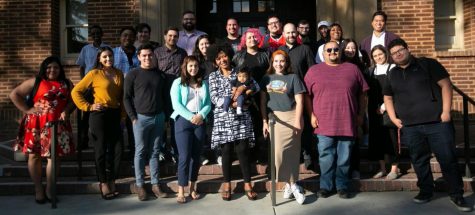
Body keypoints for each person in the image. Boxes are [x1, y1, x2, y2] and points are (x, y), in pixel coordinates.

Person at [383, 38, 471, 212]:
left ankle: (456, 195)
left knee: (448, 159)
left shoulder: (428, 64)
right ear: (391, 57)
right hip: (411, 126)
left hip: (437, 123)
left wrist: (446, 112)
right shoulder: (392, 74)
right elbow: (388, 97)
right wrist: (393, 118)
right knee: (419, 160)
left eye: (400, 50)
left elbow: (446, 85)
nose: (398, 54)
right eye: (393, 53)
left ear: (407, 49)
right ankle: (425, 191)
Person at [305, 41, 368, 199]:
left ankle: (342, 186)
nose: (332, 52)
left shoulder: (352, 69)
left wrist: (360, 115)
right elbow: (306, 96)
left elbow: (363, 94)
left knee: (344, 158)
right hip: (323, 123)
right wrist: (311, 115)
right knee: (325, 157)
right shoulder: (313, 71)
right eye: (329, 50)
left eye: (335, 49)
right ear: (323, 53)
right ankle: (326, 186)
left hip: (347, 122)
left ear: (340, 51)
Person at [10, 56, 75, 204]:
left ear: (60, 69)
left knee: (55, 157)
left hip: (58, 124)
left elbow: (73, 101)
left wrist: (67, 110)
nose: (52, 70)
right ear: (44, 69)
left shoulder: (66, 83)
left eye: (56, 67)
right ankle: (38, 189)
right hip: (36, 124)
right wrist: (27, 109)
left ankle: (50, 189)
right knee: (34, 156)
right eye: (49, 67)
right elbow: (14, 94)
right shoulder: (36, 81)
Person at [207, 44, 259, 201]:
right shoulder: (213, 76)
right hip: (223, 118)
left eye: (224, 56)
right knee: (227, 152)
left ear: (229, 56)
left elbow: (256, 86)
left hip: (241, 118)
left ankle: (248, 184)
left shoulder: (240, 72)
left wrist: (244, 89)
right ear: (215, 61)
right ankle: (227, 184)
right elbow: (215, 98)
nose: (222, 60)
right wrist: (234, 104)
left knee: (243, 150)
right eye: (218, 58)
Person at [72, 47, 124, 200]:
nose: (108, 59)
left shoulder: (119, 73)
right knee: (100, 150)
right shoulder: (94, 74)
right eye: (105, 57)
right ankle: (103, 182)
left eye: (110, 56)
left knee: (117, 149)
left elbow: (121, 97)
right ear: (99, 59)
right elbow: (76, 91)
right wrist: (88, 106)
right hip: (99, 115)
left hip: (115, 114)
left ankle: (112, 179)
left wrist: (122, 116)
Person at [260, 50, 307, 205]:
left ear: (286, 63)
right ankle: (290, 183)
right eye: (276, 61)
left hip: (292, 116)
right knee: (279, 153)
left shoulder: (293, 78)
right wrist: (264, 121)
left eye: (282, 61)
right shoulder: (266, 78)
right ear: (271, 63)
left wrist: (298, 120)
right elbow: (262, 102)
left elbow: (300, 101)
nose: (279, 64)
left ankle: (292, 185)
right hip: (275, 119)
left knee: (293, 153)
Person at [123, 44, 169, 201]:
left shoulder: (160, 75)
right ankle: (140, 185)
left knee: (155, 152)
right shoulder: (133, 74)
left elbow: (165, 97)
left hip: (159, 117)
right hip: (141, 119)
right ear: (138, 56)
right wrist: (133, 117)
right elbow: (126, 97)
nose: (147, 58)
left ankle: (155, 184)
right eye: (144, 55)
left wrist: (166, 117)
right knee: (140, 152)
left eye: (150, 55)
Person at [170, 56, 211, 203]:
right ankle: (181, 190)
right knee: (184, 156)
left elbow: (208, 104)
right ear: (185, 67)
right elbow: (176, 104)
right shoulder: (177, 83)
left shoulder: (203, 83)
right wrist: (191, 117)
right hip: (183, 121)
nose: (193, 69)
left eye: (195, 66)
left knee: (196, 156)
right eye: (190, 66)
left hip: (199, 121)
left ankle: (192, 188)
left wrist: (201, 115)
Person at [278, 23, 315, 170]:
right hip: (285, 95)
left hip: (303, 94)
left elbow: (312, 71)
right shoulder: (279, 51)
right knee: (289, 125)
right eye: (288, 33)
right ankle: (294, 154)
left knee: (304, 125)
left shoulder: (305, 49)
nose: (290, 35)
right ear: (283, 34)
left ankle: (307, 154)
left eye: (293, 33)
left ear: (297, 33)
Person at [232, 28, 270, 164]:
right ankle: (249, 155)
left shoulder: (265, 55)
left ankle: (261, 154)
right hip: (245, 95)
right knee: (247, 124)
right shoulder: (238, 56)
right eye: (249, 38)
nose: (252, 40)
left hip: (262, 93)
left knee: (260, 122)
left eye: (254, 37)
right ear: (244, 41)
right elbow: (234, 75)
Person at [365, 45, 399, 180]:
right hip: (374, 110)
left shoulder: (393, 69)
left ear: (386, 54)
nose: (378, 57)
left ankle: (394, 168)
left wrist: (385, 106)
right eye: (375, 56)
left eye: (380, 54)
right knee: (377, 139)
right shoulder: (371, 71)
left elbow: (396, 90)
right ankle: (383, 168)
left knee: (391, 139)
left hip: (389, 109)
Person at [154, 27, 187, 163]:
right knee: (162, 122)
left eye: (175, 36)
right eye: (170, 36)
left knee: (176, 121)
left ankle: (175, 150)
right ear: (165, 36)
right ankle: (161, 151)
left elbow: (185, 71)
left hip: (178, 92)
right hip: (162, 91)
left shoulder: (182, 53)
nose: (172, 38)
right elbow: (154, 71)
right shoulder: (157, 52)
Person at [76, 25, 110, 150]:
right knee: (85, 115)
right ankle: (83, 140)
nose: (96, 36)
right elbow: (81, 67)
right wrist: (83, 83)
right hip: (89, 86)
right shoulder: (86, 49)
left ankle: (104, 141)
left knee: (103, 113)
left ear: (102, 34)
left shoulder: (107, 48)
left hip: (102, 85)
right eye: (93, 34)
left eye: (98, 33)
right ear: (91, 35)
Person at [340, 38, 367, 179]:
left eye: (353, 48)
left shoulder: (360, 66)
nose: (350, 50)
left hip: (355, 106)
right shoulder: (337, 64)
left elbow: (363, 92)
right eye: (347, 48)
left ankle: (355, 168)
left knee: (354, 139)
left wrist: (361, 113)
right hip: (340, 107)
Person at [113, 26, 139, 158]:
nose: (127, 38)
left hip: (135, 96)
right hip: (117, 95)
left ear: (135, 38)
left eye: (130, 35)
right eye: (124, 35)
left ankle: (134, 154)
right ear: (120, 38)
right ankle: (119, 155)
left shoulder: (140, 54)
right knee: (118, 127)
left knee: (133, 125)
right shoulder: (113, 53)